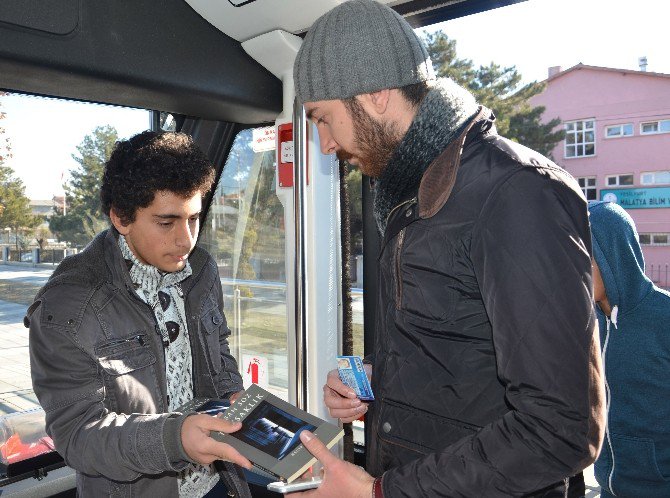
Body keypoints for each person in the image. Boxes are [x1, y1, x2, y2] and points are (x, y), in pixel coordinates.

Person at [291, 1, 606, 496]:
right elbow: (464, 361)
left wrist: (380, 493)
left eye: (323, 119)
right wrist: (378, 381)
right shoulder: (410, 197)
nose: (325, 144)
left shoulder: (516, 193)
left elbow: (560, 428)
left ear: (374, 94)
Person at [27, 131, 252, 497]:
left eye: (193, 219)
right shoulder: (69, 305)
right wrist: (174, 439)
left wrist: (231, 395)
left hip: (219, 482)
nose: (186, 239)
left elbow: (218, 350)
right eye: (166, 222)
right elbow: (78, 436)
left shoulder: (201, 270)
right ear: (121, 218)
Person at [588, 201, 670, 498]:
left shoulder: (664, 317)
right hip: (607, 489)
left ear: (615, 256)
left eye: (584, 259)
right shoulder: (584, 325)